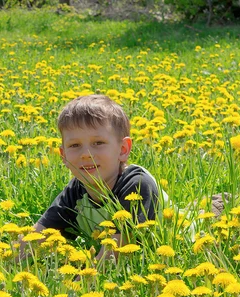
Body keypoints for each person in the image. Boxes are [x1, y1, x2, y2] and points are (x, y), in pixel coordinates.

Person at [17, 94, 162, 261]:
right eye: (75, 145)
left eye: (98, 143)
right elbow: (35, 238)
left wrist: (77, 283)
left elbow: (113, 256)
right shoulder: (76, 192)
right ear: (63, 156)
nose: (86, 154)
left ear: (123, 149)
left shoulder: (137, 185)